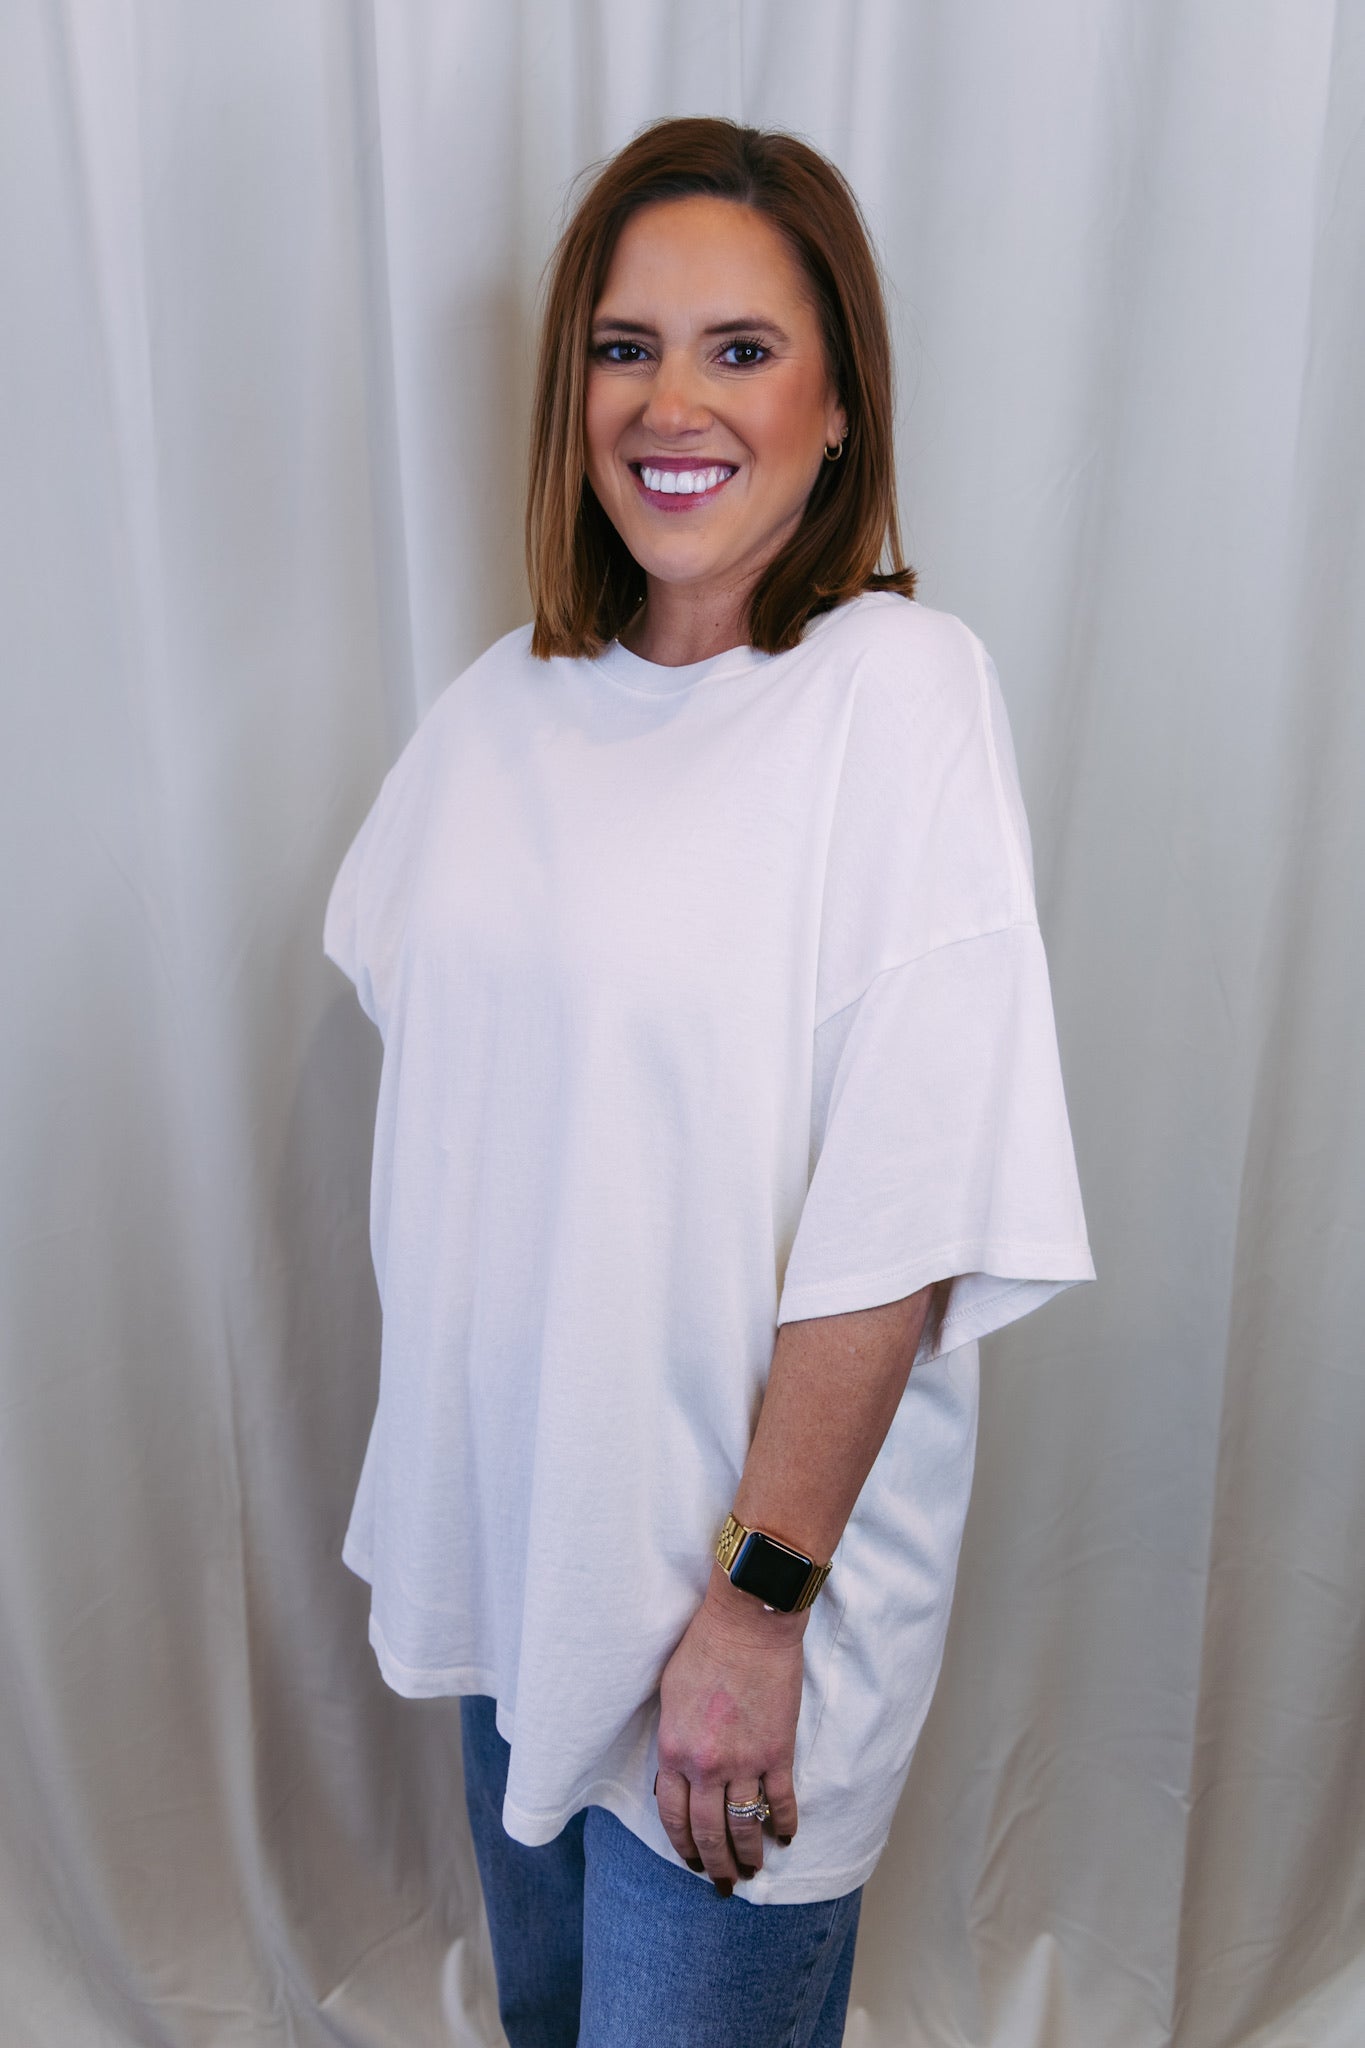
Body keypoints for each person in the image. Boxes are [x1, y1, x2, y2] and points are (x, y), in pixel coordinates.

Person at [323, 115, 1095, 2048]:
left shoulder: (895, 699)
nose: (672, 401)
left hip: (729, 1630)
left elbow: (904, 1217)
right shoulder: (500, 706)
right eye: (622, 345)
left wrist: (754, 1612)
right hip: (525, 1578)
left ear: (839, 408)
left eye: (740, 348)